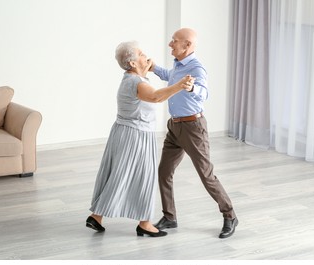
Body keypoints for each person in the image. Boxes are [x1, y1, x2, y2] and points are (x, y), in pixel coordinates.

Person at [86, 41, 195, 238]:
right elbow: (155, 97)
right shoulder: (137, 83)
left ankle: (97, 216)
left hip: (124, 132)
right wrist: (180, 85)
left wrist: (151, 70)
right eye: (141, 54)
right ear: (133, 63)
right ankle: (144, 223)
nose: (146, 55)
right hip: (136, 135)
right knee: (144, 177)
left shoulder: (130, 78)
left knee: (118, 175)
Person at [149, 28, 238, 239]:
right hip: (175, 127)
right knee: (164, 172)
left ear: (187, 45)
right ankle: (169, 216)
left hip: (192, 128)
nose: (170, 44)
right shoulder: (178, 66)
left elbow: (204, 94)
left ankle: (230, 215)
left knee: (206, 175)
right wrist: (153, 68)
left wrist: (191, 89)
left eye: (174, 41)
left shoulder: (197, 69)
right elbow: (170, 77)